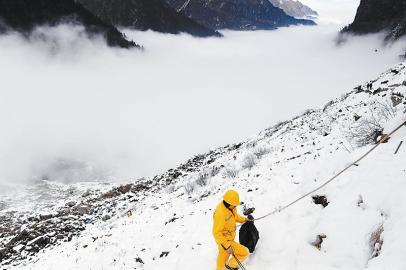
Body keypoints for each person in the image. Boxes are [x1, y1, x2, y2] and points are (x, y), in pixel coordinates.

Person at [212, 190, 252, 270]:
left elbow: (235, 216)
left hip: (229, 239)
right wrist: (227, 246)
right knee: (244, 252)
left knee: (223, 261)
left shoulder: (231, 207)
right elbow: (216, 233)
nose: (236, 206)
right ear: (229, 203)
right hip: (224, 242)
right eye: (234, 205)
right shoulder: (220, 214)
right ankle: (230, 266)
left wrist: (244, 220)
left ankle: (230, 266)